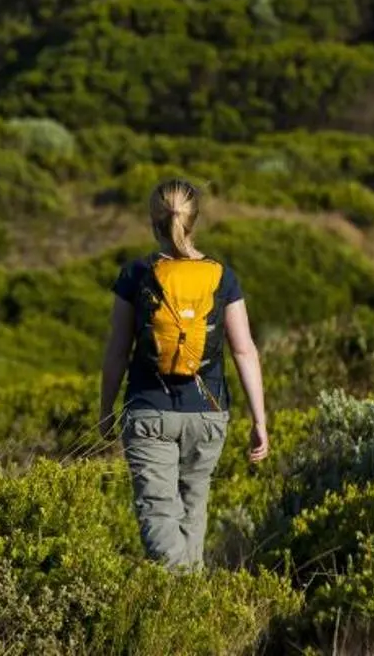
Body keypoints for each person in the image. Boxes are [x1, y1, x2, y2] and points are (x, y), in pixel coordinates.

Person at [97, 179, 268, 569]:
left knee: (159, 517)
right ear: (195, 220)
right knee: (193, 513)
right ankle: (192, 611)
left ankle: (182, 601)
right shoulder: (222, 277)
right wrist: (259, 419)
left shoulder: (136, 274)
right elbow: (244, 350)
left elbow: (117, 351)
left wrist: (106, 410)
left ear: (153, 220)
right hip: (208, 414)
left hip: (148, 411)